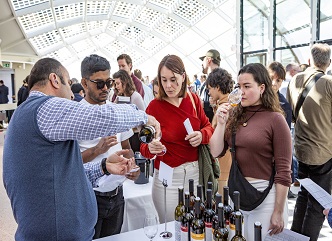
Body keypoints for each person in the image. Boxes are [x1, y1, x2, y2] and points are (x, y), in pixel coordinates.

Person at [3, 57, 160, 240]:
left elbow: (63, 174)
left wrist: (103, 167)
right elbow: (100, 118)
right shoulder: (44, 107)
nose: (71, 94)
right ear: (54, 80)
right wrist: (143, 117)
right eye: (68, 84)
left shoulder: (29, 114)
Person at [210, 63, 292, 241]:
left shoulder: (276, 119)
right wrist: (221, 123)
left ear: (262, 88)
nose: (242, 92)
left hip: (266, 196)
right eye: (239, 87)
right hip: (237, 194)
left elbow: (284, 171)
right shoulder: (234, 115)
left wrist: (278, 211)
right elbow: (215, 152)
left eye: (247, 87)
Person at [140, 54, 214, 223]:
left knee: (195, 225)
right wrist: (150, 149)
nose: (168, 85)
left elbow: (209, 127)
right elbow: (144, 147)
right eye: (164, 80)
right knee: (170, 228)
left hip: (195, 176)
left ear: (183, 76)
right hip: (167, 179)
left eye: (173, 79)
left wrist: (202, 135)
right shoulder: (154, 107)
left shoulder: (194, 100)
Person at [78, 54, 139, 238]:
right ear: (84, 83)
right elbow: (70, 162)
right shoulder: (77, 115)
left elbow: (126, 145)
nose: (105, 88)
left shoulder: (115, 111)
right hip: (91, 197)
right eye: (99, 83)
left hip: (117, 195)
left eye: (109, 82)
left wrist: (132, 167)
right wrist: (98, 149)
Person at [287, 43, 332, 241]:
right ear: (329, 62)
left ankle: (296, 237)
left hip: (301, 150)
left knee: (303, 196)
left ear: (309, 61)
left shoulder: (295, 80)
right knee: (317, 204)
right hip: (324, 152)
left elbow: (290, 116)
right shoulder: (330, 83)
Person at [205, 67, 233, 193]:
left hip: (223, 166)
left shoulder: (224, 109)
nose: (209, 92)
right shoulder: (229, 104)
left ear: (217, 87)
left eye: (210, 88)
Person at [113, 69, 146, 153]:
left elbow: (143, 119)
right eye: (115, 84)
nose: (116, 86)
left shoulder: (136, 97)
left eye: (118, 83)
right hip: (123, 136)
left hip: (135, 137)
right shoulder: (118, 97)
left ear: (125, 82)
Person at [199, 49, 221, 123]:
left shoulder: (219, 78)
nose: (201, 64)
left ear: (208, 60)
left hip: (213, 125)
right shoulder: (210, 78)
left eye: (203, 60)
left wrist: (203, 104)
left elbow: (222, 101)